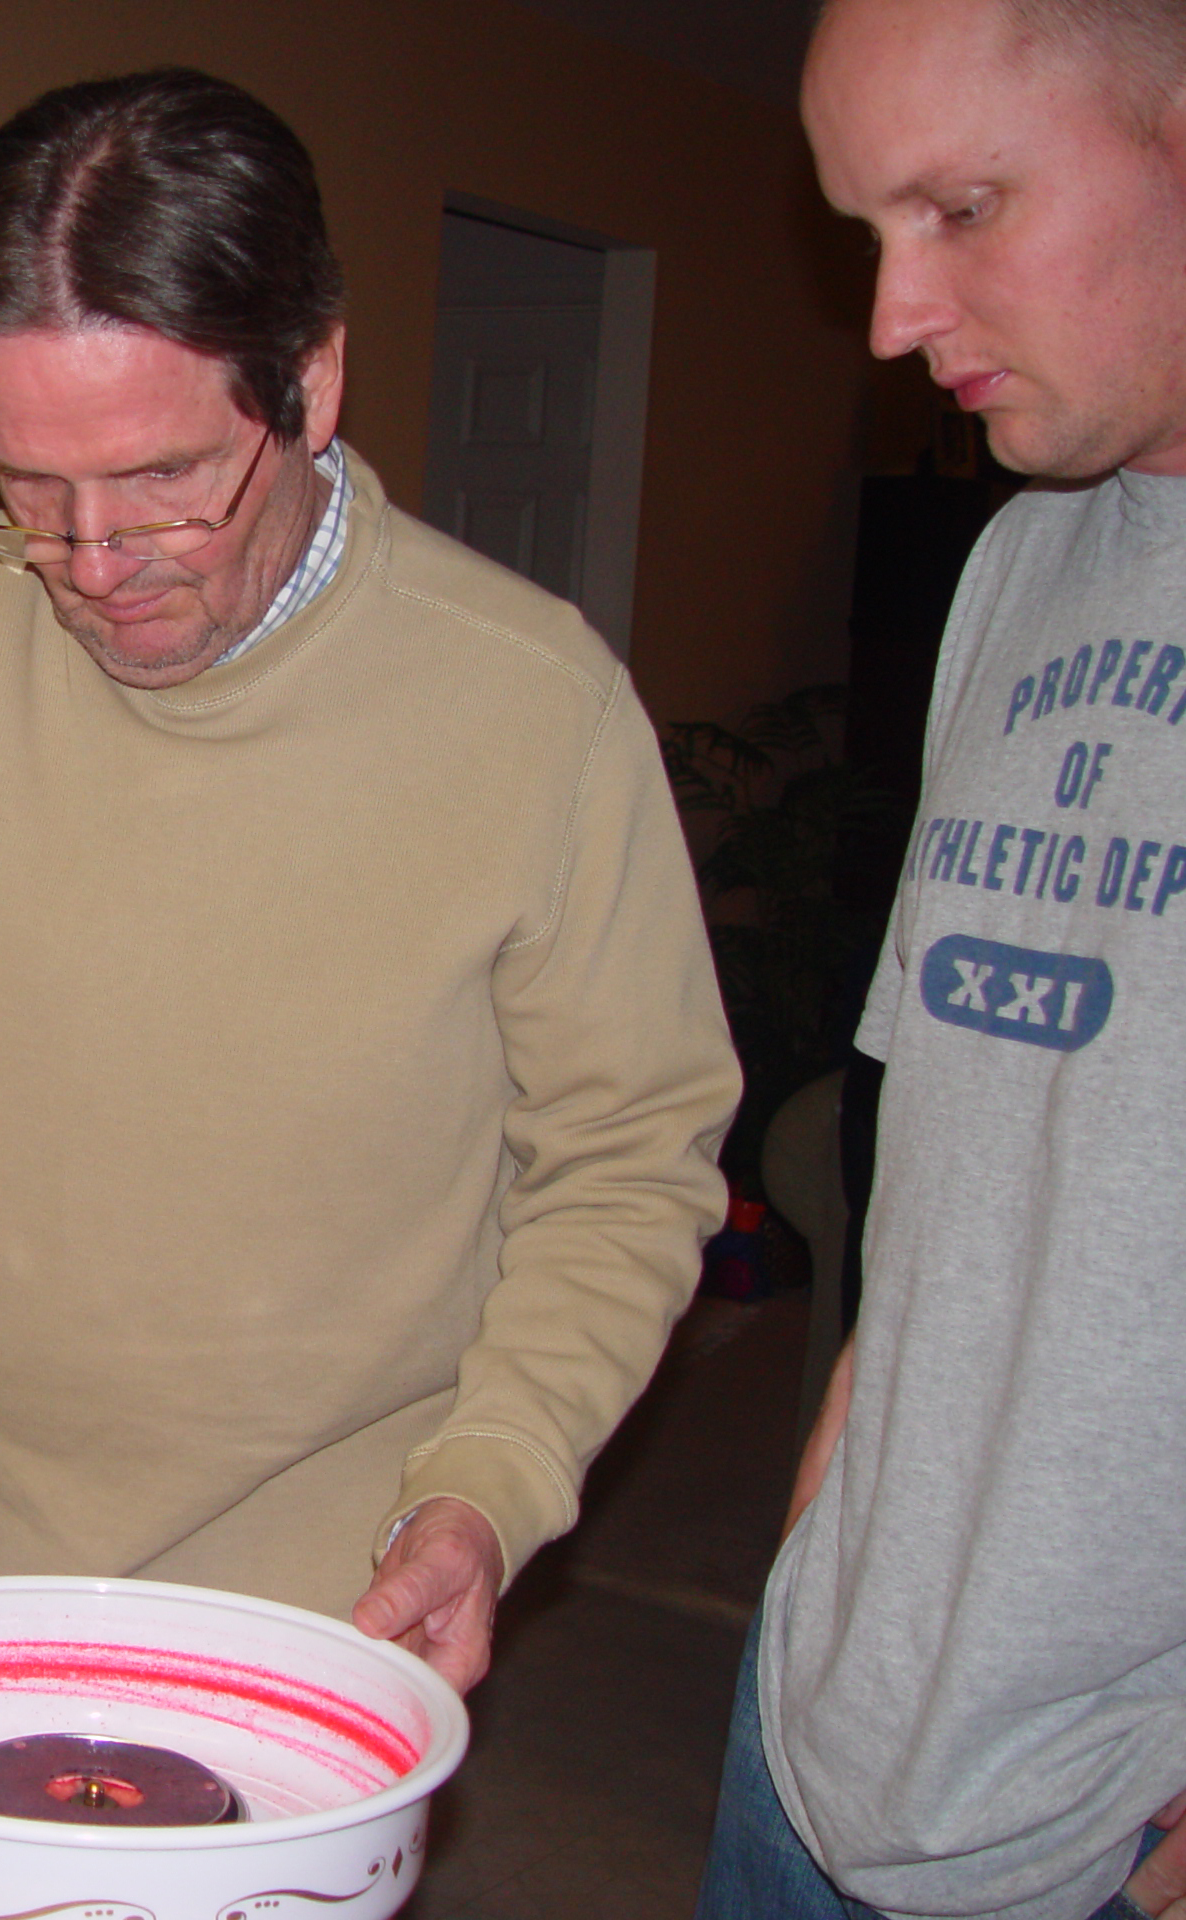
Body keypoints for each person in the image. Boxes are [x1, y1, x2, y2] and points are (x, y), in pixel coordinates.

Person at [0, 68, 739, 1692]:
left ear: (310, 380)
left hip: (319, 1622)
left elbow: (629, 1161)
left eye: (163, 479)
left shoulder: (535, 707)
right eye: (29, 485)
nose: (91, 568)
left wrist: (492, 1481)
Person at [694, 2, 1186, 1916]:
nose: (893, 316)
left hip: (1100, 1838)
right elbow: (947, 1151)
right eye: (867, 229)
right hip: (819, 1736)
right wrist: (821, 1569)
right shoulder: (1025, 560)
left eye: (964, 206)